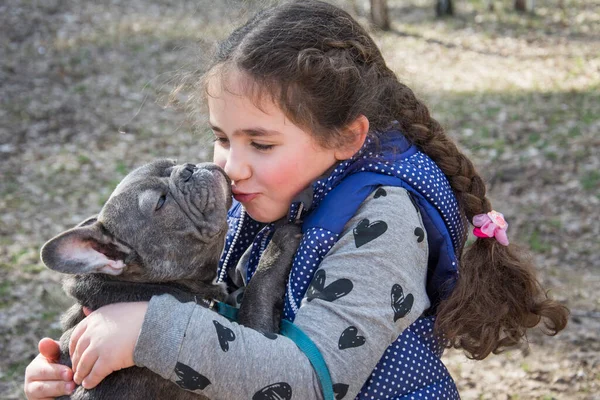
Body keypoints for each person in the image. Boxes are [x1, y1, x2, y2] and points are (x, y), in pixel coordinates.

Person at [24, 1, 569, 399]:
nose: (231, 164)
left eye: (260, 143)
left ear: (346, 138)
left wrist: (150, 332)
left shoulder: (385, 227)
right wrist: (87, 368)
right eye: (221, 137)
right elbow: (227, 326)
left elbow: (307, 380)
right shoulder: (260, 190)